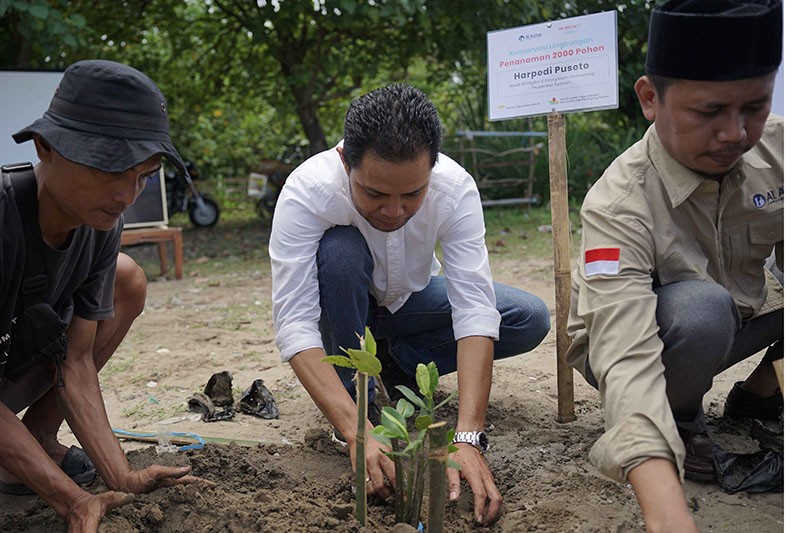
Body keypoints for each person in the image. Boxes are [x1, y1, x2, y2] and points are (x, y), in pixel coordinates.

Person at [269, 83, 550, 525]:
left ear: (432, 168)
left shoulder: (454, 187)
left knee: (526, 316)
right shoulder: (308, 190)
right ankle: (355, 402)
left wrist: (468, 436)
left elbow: (474, 308)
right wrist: (356, 430)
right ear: (345, 161)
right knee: (339, 255)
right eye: (375, 195)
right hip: (342, 311)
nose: (394, 211)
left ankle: (396, 363)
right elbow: (296, 323)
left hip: (409, 302)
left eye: (413, 194)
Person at [566, 0, 783, 530]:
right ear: (649, 98)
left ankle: (759, 396)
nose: (735, 133)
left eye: (755, 107)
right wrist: (667, 513)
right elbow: (624, 352)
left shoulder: (783, 149)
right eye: (708, 112)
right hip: (643, 340)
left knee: (716, 310)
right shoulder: (618, 203)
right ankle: (681, 419)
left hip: (742, 318)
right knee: (701, 310)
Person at [0, 59, 210, 531]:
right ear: (46, 147)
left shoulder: (100, 226)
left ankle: (32, 444)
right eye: (110, 170)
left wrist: (123, 477)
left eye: (143, 175)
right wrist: (74, 500)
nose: (127, 195)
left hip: (11, 361)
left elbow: (75, 363)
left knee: (127, 277)